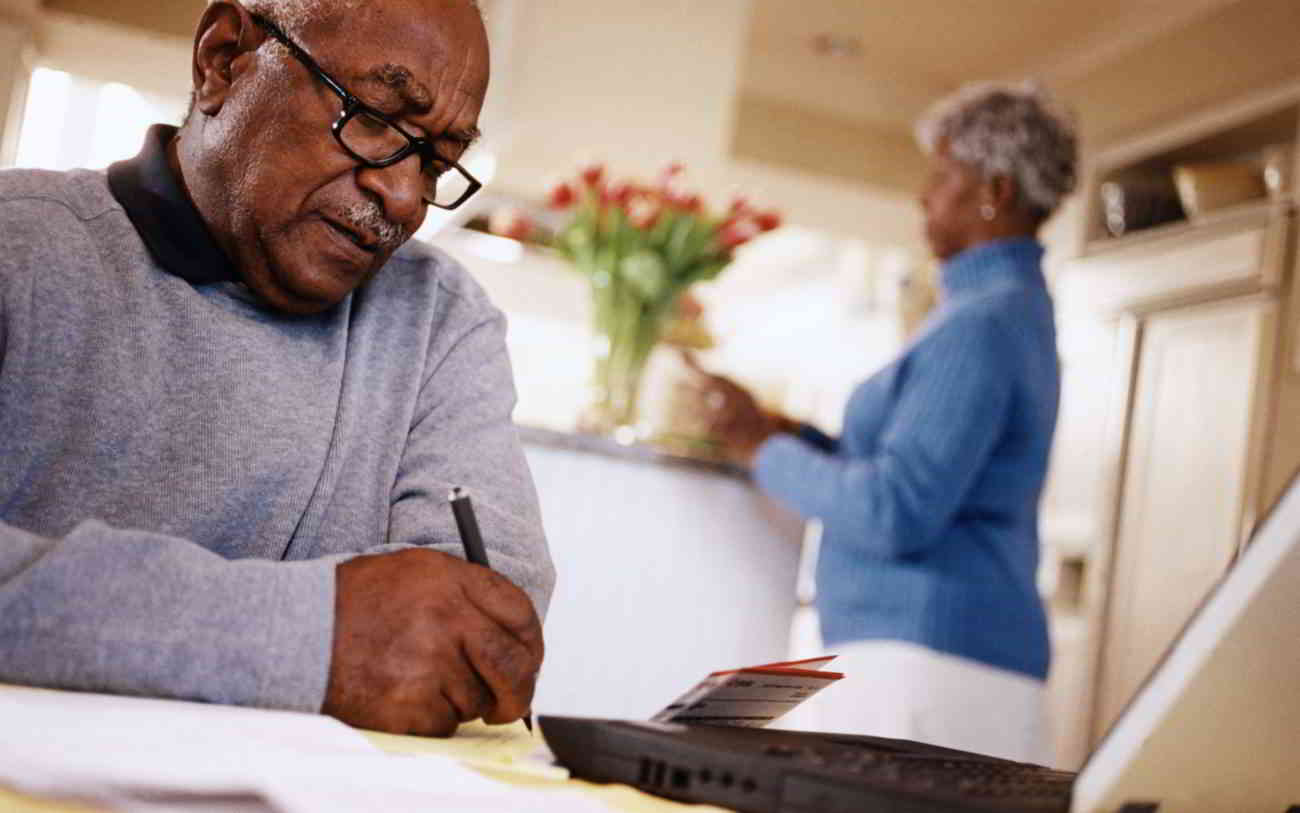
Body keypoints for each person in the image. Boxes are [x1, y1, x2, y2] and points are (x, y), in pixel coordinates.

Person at [0, 0, 555, 738]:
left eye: (437, 158)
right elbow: (374, 641)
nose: (403, 195)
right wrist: (306, 636)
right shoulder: (19, 250)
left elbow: (472, 630)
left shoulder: (440, 320)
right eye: (375, 118)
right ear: (223, 60)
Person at [692, 81, 1077, 763]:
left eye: (943, 175)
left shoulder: (982, 323)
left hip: (933, 658)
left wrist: (760, 448)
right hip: (945, 655)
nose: (923, 195)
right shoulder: (997, 310)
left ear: (995, 192)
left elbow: (896, 509)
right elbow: (909, 473)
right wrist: (794, 437)